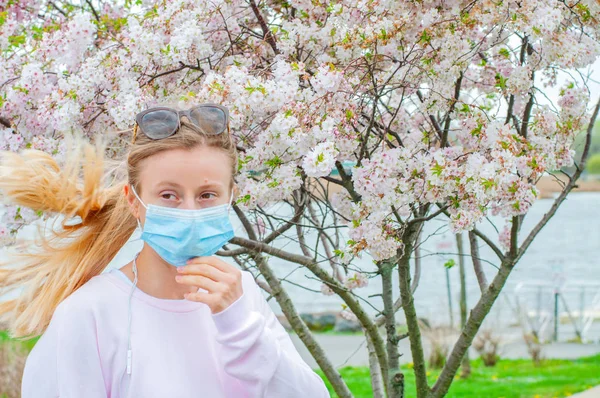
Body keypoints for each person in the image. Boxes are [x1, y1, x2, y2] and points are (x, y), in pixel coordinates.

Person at [0, 104, 330, 397]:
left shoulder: (241, 296)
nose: (188, 211)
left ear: (231, 196)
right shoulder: (88, 314)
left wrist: (237, 323)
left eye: (207, 195)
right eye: (169, 195)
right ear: (134, 201)